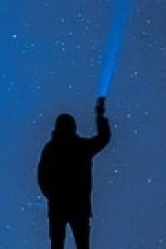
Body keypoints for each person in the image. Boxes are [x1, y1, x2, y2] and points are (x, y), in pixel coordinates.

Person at [37, 97, 112, 249]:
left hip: (57, 206)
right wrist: (100, 117)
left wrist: (52, 195)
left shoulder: (50, 148)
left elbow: (41, 176)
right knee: (82, 244)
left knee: (57, 244)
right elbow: (103, 138)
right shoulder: (80, 147)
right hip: (79, 205)